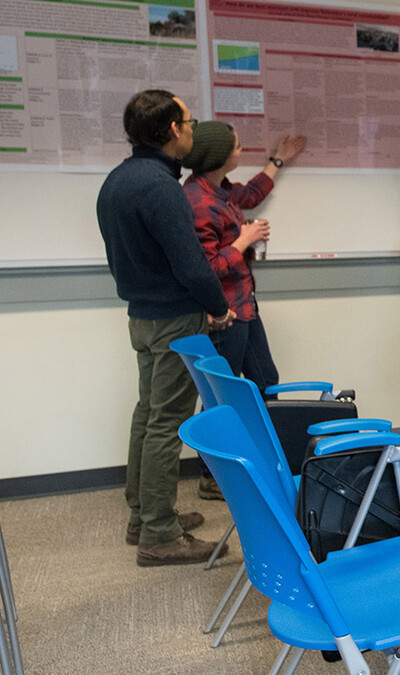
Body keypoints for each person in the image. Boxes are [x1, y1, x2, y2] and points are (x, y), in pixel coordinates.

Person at [97, 90, 234, 567]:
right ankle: (159, 533)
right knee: (166, 424)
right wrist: (217, 307)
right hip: (175, 318)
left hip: (142, 316)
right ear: (174, 130)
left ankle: (143, 515)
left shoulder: (118, 180)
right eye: (190, 123)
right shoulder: (160, 187)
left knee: (147, 413)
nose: (194, 131)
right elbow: (192, 265)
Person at [180, 122, 306, 499]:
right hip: (224, 313)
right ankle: (211, 474)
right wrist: (245, 239)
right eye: (236, 146)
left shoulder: (219, 191)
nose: (241, 149)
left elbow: (250, 193)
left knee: (265, 381)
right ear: (220, 155)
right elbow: (206, 270)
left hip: (244, 306)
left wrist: (277, 161)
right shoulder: (195, 201)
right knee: (222, 394)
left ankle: (270, 464)